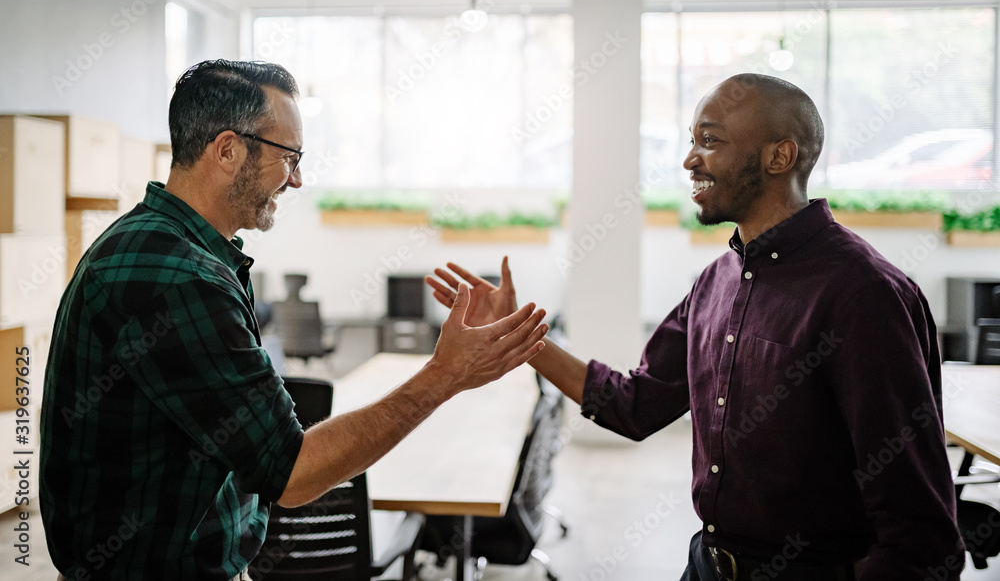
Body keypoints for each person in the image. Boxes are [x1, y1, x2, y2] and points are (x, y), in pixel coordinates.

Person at [426, 73, 964, 580]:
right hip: (706, 565)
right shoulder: (717, 280)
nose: (689, 159)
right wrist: (517, 339)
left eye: (710, 141)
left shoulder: (865, 295)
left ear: (780, 155)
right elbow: (633, 405)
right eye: (692, 140)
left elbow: (919, 533)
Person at [39, 59, 549, 580]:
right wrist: (443, 375)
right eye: (290, 156)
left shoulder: (171, 248)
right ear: (228, 150)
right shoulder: (175, 277)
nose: (298, 179)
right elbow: (292, 473)